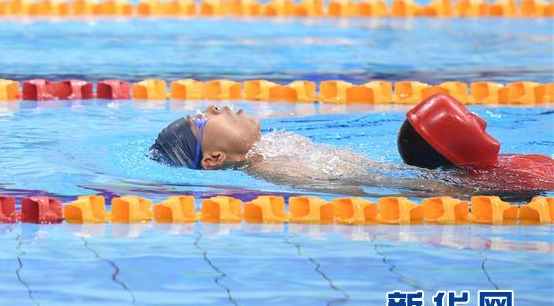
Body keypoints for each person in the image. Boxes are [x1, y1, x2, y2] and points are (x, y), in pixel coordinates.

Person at [149, 97, 553, 196]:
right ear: (214, 158)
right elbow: (370, 183)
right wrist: (458, 186)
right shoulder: (275, 169)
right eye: (201, 117)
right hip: (451, 183)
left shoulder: (270, 150)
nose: (214, 106)